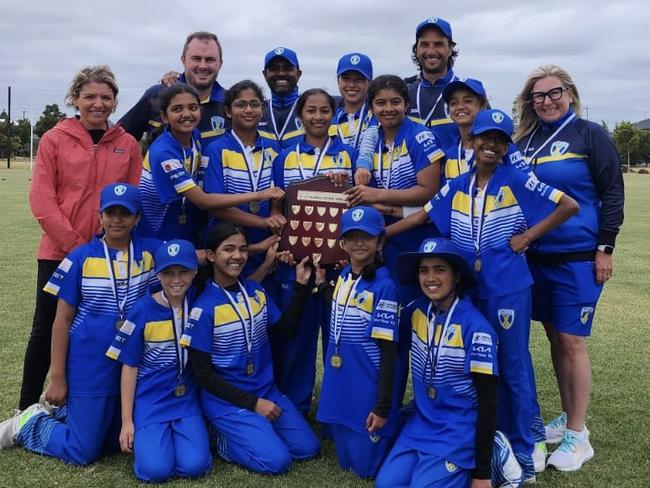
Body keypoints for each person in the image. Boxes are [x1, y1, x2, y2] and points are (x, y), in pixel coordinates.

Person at [387, 109, 579, 481]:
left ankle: (524, 443)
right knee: (476, 364)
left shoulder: (517, 179)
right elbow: (423, 214)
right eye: (483, 138)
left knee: (512, 363)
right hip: (469, 288)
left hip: (507, 288)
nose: (490, 145)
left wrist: (527, 237)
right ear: (471, 142)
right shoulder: (458, 184)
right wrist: (385, 234)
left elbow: (568, 205)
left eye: (498, 140)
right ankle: (483, 436)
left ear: (506, 146)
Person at [0, 183, 161, 465]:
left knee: (114, 443)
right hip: (89, 366)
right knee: (83, 451)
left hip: (130, 367)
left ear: (137, 218)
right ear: (100, 216)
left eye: (125, 213)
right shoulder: (81, 257)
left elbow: (192, 255)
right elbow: (61, 321)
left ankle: (70, 413)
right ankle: (29, 422)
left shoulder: (150, 253)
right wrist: (58, 377)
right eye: (110, 212)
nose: (117, 220)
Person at [514, 65, 625, 472]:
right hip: (536, 258)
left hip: (578, 256)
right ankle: (566, 416)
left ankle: (579, 434)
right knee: (554, 338)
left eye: (554, 92)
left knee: (573, 341)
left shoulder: (589, 133)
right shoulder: (524, 142)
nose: (546, 100)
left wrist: (605, 247)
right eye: (538, 96)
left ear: (570, 93)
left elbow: (612, 191)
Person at [18, 65, 142, 411]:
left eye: (105, 97)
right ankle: (26, 406)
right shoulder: (54, 139)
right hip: (59, 253)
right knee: (46, 328)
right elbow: (42, 199)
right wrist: (77, 248)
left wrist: (103, 247)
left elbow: (133, 198)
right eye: (89, 96)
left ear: (115, 102)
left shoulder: (127, 144)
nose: (97, 103)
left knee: (97, 329)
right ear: (76, 99)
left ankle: (92, 405)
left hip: (110, 254)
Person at [375, 237, 521, 488]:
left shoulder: (477, 330)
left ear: (457, 275)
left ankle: (495, 455)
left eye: (440, 269)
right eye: (424, 270)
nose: (430, 278)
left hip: (459, 428)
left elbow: (488, 400)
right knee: (385, 484)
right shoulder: (417, 312)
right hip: (422, 422)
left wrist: (482, 473)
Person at [179, 223, 320, 474]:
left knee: (307, 449)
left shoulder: (255, 291)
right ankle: (219, 438)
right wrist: (254, 404)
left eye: (243, 249)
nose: (238, 256)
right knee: (276, 462)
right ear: (211, 255)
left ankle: (256, 429)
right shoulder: (203, 309)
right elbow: (202, 374)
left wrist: (300, 286)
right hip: (228, 402)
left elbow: (282, 333)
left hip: (266, 392)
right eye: (228, 249)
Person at [270, 88, 357, 413]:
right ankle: (296, 408)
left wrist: (341, 185)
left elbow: (358, 203)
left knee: (340, 340)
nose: (318, 117)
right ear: (300, 115)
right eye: (311, 110)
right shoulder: (284, 156)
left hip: (339, 263)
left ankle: (341, 410)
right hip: (298, 264)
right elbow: (278, 208)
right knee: (299, 341)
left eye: (324, 110)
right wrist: (282, 246)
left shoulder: (348, 155)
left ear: (333, 115)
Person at [106, 239, 211, 482]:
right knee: (156, 471)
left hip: (186, 399)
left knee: (195, 466)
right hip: (151, 400)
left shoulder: (198, 303)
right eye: (168, 272)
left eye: (183, 271)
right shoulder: (142, 310)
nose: (176, 280)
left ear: (195, 271)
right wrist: (127, 422)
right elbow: (129, 367)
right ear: (157, 274)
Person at [137, 84, 284, 245]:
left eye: (192, 107)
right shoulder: (163, 152)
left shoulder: (195, 137)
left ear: (200, 110)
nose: (186, 114)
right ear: (164, 117)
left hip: (187, 227)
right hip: (157, 230)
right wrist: (261, 195)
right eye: (177, 109)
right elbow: (204, 201)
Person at [315, 206, 403, 478]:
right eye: (352, 237)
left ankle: (404, 420)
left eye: (366, 236)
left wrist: (382, 406)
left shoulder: (385, 286)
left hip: (369, 386)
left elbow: (390, 352)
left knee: (365, 470)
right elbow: (344, 302)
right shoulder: (343, 277)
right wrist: (321, 285)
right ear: (343, 243)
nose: (359, 243)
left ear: (380, 241)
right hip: (342, 384)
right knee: (346, 462)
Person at [345, 74, 444, 303]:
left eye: (395, 102)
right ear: (371, 108)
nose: (388, 108)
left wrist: (377, 195)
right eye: (380, 103)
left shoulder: (420, 136)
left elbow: (429, 191)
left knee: (416, 308)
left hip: (417, 238)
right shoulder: (375, 140)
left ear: (406, 105)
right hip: (386, 241)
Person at [202, 80, 285, 277]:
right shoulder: (216, 149)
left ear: (262, 109)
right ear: (228, 112)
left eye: (255, 104)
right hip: (229, 242)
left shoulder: (273, 147)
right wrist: (263, 222)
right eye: (241, 104)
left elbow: (279, 193)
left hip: (268, 241)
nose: (249, 110)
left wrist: (274, 214)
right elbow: (216, 206)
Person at [119, 31, 227, 145]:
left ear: (220, 64)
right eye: (196, 58)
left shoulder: (231, 104)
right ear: (183, 60)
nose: (203, 66)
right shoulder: (156, 95)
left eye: (210, 59)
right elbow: (119, 139)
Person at [439, 78, 527, 185]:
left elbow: (530, 186)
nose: (460, 107)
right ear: (448, 110)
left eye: (468, 101)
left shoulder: (501, 148)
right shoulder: (449, 154)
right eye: (453, 103)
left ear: (483, 106)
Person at [406, 17, 466, 150]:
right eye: (425, 44)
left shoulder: (469, 93)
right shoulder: (403, 94)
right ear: (416, 49)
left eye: (438, 44)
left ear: (450, 49)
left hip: (456, 170)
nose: (431, 51)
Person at [258, 47, 304, 149]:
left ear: (298, 74)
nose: (281, 73)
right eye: (274, 69)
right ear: (265, 75)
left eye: (288, 68)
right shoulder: (256, 112)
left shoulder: (311, 110)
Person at [331, 53, 375, 150]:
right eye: (346, 79)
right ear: (338, 81)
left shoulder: (378, 118)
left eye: (359, 79)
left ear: (370, 82)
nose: (351, 84)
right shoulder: (331, 120)